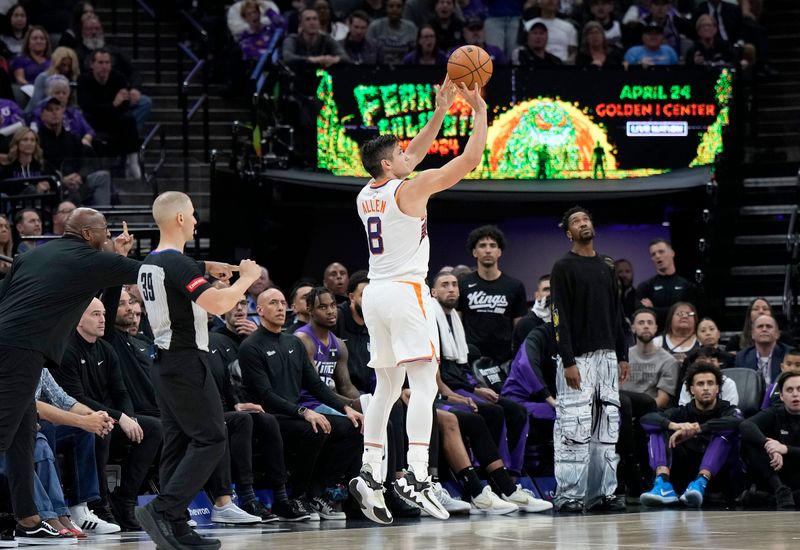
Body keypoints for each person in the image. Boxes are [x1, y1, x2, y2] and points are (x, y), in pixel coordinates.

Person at [349, 76, 487, 524]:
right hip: (407, 294)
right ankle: (415, 474)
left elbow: (413, 154)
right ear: (389, 164)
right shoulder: (411, 189)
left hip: (375, 294)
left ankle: (370, 473)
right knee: (424, 387)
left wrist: (442, 110)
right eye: (401, 156)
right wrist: (479, 111)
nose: (410, 156)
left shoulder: (366, 192)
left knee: (386, 388)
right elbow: (468, 160)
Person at [0, 207, 141, 545]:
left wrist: (114, 261)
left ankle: (29, 520)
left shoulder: (37, 255)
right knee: (4, 432)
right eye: (105, 229)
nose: (109, 234)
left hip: (13, 343)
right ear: (88, 234)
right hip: (22, 347)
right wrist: (204, 270)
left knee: (21, 436)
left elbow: (4, 297)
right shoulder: (87, 259)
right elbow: (152, 271)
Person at [133, 191, 261, 550]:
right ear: (178, 219)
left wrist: (205, 266)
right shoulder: (177, 264)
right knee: (211, 439)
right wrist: (246, 278)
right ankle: (163, 508)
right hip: (187, 359)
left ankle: (175, 523)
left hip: (165, 363)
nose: (194, 220)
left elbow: (176, 272)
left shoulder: (150, 262)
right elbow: (220, 303)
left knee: (179, 441)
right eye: (191, 215)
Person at [238, 287, 364, 521]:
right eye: (273, 303)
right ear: (261, 310)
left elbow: (316, 385)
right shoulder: (251, 346)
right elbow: (264, 394)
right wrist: (304, 411)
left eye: (282, 302)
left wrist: (346, 409)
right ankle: (296, 495)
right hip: (270, 416)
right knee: (314, 428)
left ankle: (323, 494)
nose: (279, 307)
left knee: (354, 426)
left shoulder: (292, 342)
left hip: (295, 413)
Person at [52, 298, 163, 532]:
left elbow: (120, 391)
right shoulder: (66, 348)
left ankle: (126, 499)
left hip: (108, 416)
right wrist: (116, 417)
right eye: (95, 314)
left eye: (103, 314)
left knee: (153, 428)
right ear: (78, 319)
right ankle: (100, 505)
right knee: (100, 428)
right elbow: (75, 398)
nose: (103, 319)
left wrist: (129, 417)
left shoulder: (106, 349)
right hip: (76, 418)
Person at [432, 271, 544, 491]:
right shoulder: (431, 322)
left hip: (463, 383)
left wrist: (477, 388)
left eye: (454, 284)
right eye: (445, 285)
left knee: (517, 411)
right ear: (433, 292)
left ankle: (513, 474)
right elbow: (435, 377)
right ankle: (492, 475)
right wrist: (455, 396)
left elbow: (462, 368)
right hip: (446, 389)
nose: (451, 289)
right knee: (492, 412)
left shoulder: (454, 321)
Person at [550, 205, 629, 513]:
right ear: (569, 233)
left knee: (608, 425)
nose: (583, 223)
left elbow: (617, 314)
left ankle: (603, 494)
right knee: (573, 426)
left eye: (586, 219)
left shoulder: (607, 266)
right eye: (576, 221)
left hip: (608, 355)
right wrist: (567, 359)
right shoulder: (563, 266)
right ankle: (569, 495)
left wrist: (622, 354)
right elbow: (559, 316)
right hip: (577, 358)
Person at [640, 363, 743, 507]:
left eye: (710, 383)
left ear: (718, 388)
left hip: (721, 477)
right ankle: (662, 483)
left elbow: (737, 422)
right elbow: (646, 420)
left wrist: (699, 429)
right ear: (692, 390)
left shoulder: (728, 410)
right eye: (700, 384)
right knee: (656, 428)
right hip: (686, 472)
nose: (706, 388)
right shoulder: (681, 412)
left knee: (726, 433)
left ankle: (701, 482)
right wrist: (673, 425)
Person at [458, 225, 528, 365]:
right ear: (474, 252)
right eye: (482, 245)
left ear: (499, 252)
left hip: (505, 360)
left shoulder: (515, 286)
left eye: (492, 245)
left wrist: (518, 358)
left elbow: (519, 328)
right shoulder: (463, 285)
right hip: (471, 358)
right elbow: (457, 324)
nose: (488, 250)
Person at [740, 370, 800, 509]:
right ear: (782, 396)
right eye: (789, 390)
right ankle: (780, 490)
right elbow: (746, 425)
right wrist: (768, 444)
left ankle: (770, 500)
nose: (795, 394)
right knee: (751, 441)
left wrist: (785, 449)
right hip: (778, 474)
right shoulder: (775, 412)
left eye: (799, 389)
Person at [622, 308, 680, 410]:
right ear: (633, 328)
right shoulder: (622, 357)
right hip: (622, 410)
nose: (646, 326)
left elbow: (662, 400)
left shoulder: (669, 361)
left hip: (650, 413)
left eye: (650, 323)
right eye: (641, 323)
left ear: (655, 328)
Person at [635, 239, 695, 329]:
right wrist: (677, 312)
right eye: (653, 254)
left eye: (661, 252)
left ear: (672, 253)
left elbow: (690, 314)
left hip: (682, 336)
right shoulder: (645, 286)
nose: (657, 256)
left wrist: (652, 309)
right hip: (656, 338)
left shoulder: (688, 286)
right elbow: (642, 315)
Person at [735, 315, 793, 386]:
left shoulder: (789, 354)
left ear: (777, 334)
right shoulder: (742, 357)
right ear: (752, 334)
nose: (764, 329)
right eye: (760, 326)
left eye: (769, 326)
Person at [366, 0, 417, 64]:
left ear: (403, 9)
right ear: (385, 8)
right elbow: (368, 51)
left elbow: (416, 52)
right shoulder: (375, 27)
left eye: (398, 6)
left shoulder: (411, 27)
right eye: (391, 6)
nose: (395, 9)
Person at [511, 274, 550, 354]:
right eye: (546, 289)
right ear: (537, 295)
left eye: (555, 288)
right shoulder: (526, 323)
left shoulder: (567, 320)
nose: (551, 293)